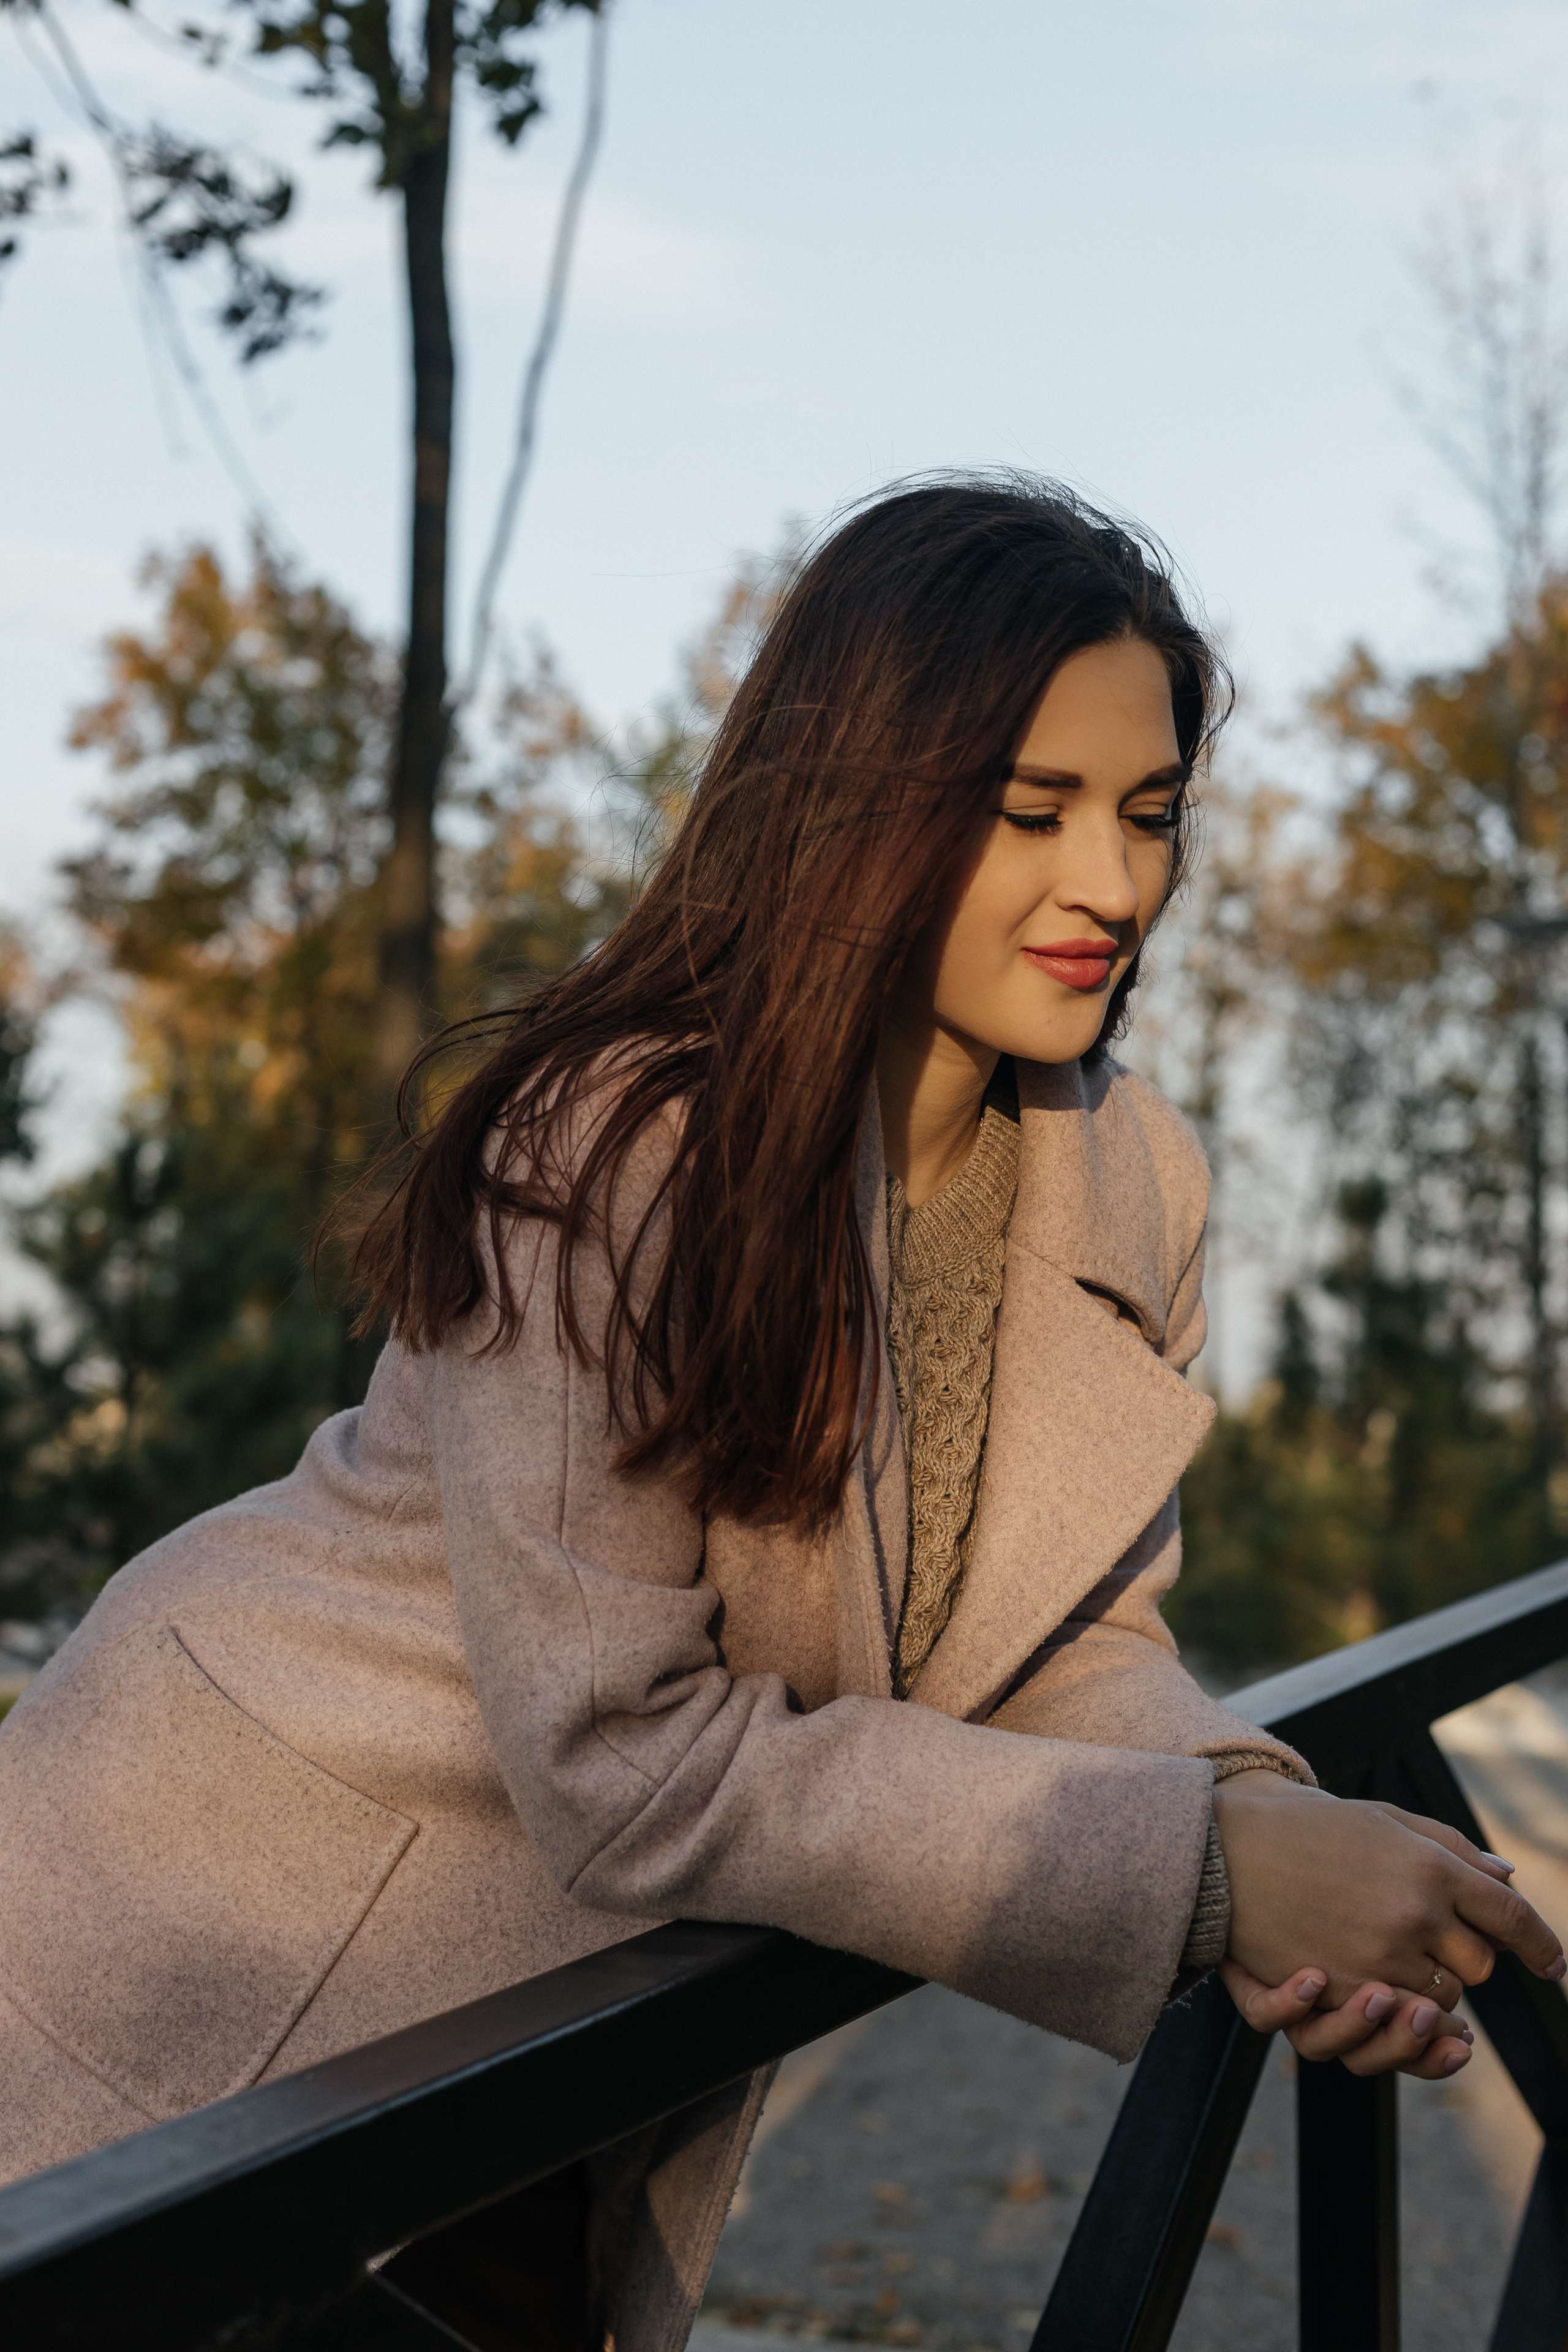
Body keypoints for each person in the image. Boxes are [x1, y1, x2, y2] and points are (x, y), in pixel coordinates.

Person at [0, 477, 1559, 2352]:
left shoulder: (1129, 1174)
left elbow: (1066, 1645)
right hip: (223, 1949)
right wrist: (1215, 1879)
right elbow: (624, 1757)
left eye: (1149, 814)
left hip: (536, 2042)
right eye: (1030, 808)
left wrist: (1250, 1821)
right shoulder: (617, 1143)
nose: (1114, 884)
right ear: (861, 804)